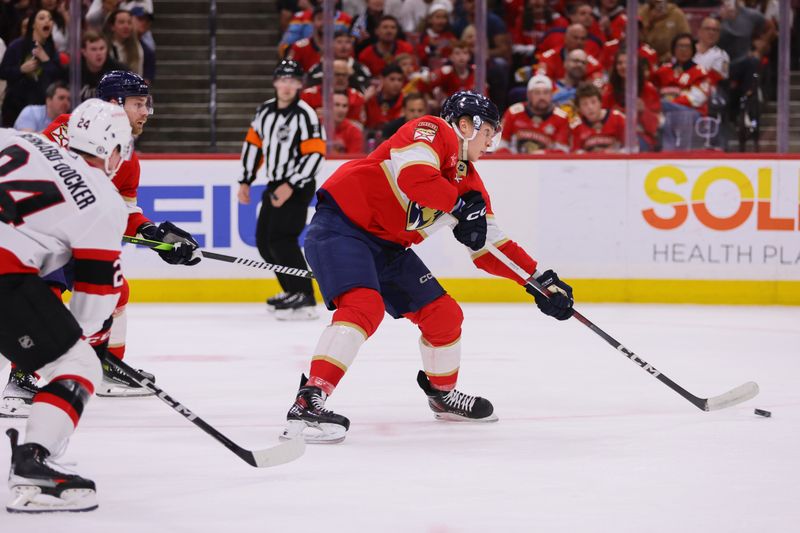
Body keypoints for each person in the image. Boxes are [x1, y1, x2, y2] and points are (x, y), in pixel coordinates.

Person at [281, 90, 575, 444]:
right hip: (342, 228)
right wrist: (458, 206)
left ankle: (443, 396)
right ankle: (309, 400)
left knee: (444, 315)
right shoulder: (432, 130)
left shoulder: (469, 182)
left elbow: (489, 247)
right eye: (488, 132)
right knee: (363, 307)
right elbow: (415, 178)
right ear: (466, 125)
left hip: (390, 248)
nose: (491, 142)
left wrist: (539, 280)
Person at [0, 71, 201, 417]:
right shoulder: (68, 126)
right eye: (138, 104)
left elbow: (124, 214)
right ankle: (22, 376)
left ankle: (106, 365)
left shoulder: (128, 158)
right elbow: (51, 184)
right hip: (38, 233)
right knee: (51, 282)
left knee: (117, 290)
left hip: (67, 234)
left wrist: (157, 236)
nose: (145, 112)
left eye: (145, 104)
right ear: (114, 104)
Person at [0, 98, 133, 512]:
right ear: (113, 150)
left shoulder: (16, 137)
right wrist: (81, 345)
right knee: (78, 365)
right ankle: (34, 464)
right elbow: (92, 304)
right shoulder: (103, 197)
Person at [237, 60, 324, 319]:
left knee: (282, 240)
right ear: (275, 82)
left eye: (292, 80)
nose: (287, 86)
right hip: (275, 183)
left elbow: (316, 155)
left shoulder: (305, 114)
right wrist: (245, 179)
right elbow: (253, 146)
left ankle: (305, 296)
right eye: (282, 80)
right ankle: (291, 291)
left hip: (297, 185)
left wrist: (292, 184)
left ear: (299, 85)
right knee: (265, 242)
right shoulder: (265, 111)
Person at [0, 9, 66, 127]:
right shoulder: (16, 46)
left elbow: (59, 78)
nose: (47, 21)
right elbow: (3, 72)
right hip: (15, 106)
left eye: (50, 19)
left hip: (41, 110)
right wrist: (21, 70)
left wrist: (46, 60)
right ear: (33, 25)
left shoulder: (52, 50)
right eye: (42, 18)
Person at [499, 74, 570, 154]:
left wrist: (543, 155)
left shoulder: (561, 118)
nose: (542, 97)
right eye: (537, 93)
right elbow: (500, 144)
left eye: (546, 93)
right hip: (516, 163)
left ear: (551, 95)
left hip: (547, 164)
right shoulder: (513, 113)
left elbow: (562, 151)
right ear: (529, 95)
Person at [569, 82, 626, 153]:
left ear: (600, 103)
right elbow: (575, 152)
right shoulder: (576, 125)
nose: (590, 107)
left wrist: (616, 153)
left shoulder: (618, 118)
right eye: (584, 104)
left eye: (593, 102)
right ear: (579, 109)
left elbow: (631, 147)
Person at [79, 31, 126, 102]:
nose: (99, 53)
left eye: (102, 48)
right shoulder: (75, 71)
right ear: (84, 52)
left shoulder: (119, 71)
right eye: (94, 49)